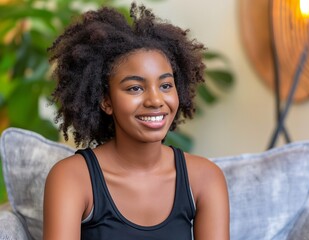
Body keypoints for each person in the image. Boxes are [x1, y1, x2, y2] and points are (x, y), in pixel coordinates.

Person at [43, 2, 229, 240]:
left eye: (165, 85)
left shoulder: (205, 178)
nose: (155, 100)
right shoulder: (72, 178)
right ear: (106, 101)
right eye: (134, 88)